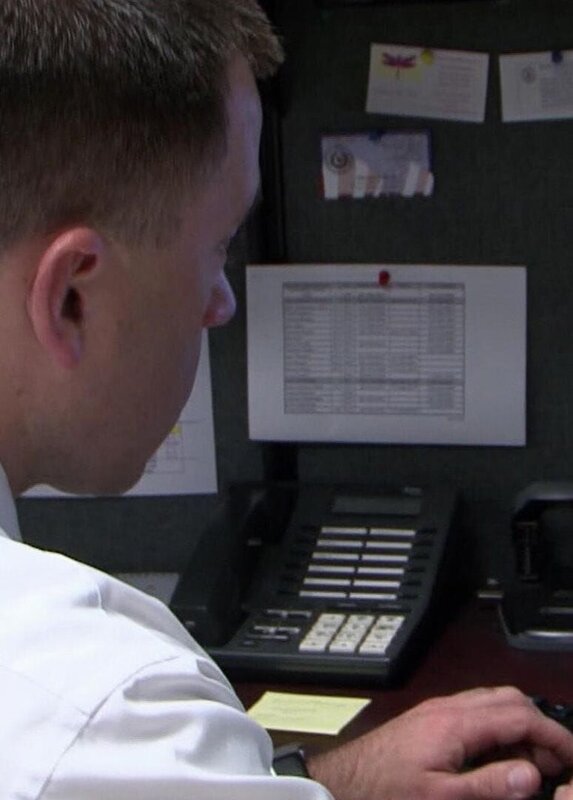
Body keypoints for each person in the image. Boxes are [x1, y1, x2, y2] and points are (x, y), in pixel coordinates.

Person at [0, 1, 572, 798]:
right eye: (217, 246)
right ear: (71, 297)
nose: (222, 303)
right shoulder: (103, 712)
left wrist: (315, 782)